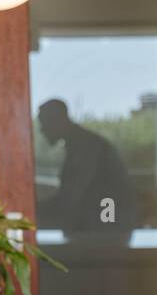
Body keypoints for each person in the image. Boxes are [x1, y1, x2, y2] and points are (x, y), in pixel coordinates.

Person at [37, 98, 137, 240]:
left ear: (57, 120)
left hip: (106, 228)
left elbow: (72, 195)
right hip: (101, 224)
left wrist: (35, 209)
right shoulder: (80, 143)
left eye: (44, 123)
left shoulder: (85, 146)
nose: (41, 130)